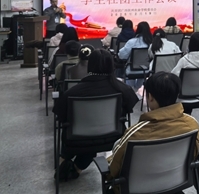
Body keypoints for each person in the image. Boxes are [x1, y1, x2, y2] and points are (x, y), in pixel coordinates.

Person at [53, 50, 138, 182]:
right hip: (114, 138)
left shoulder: (72, 92)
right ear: (112, 65)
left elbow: (60, 116)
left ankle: (65, 164)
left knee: (80, 135)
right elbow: (129, 109)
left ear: (90, 65)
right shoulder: (123, 89)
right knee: (93, 139)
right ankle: (77, 167)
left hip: (76, 140)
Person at [107, 72, 199, 181]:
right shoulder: (193, 124)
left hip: (138, 185)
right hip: (175, 182)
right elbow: (193, 155)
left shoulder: (135, 133)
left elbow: (113, 170)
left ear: (150, 97)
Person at [118, 21, 152, 88]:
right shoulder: (152, 43)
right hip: (146, 71)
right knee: (136, 86)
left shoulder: (132, 42)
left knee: (130, 87)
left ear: (138, 30)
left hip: (131, 71)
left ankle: (132, 91)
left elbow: (122, 56)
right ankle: (136, 90)